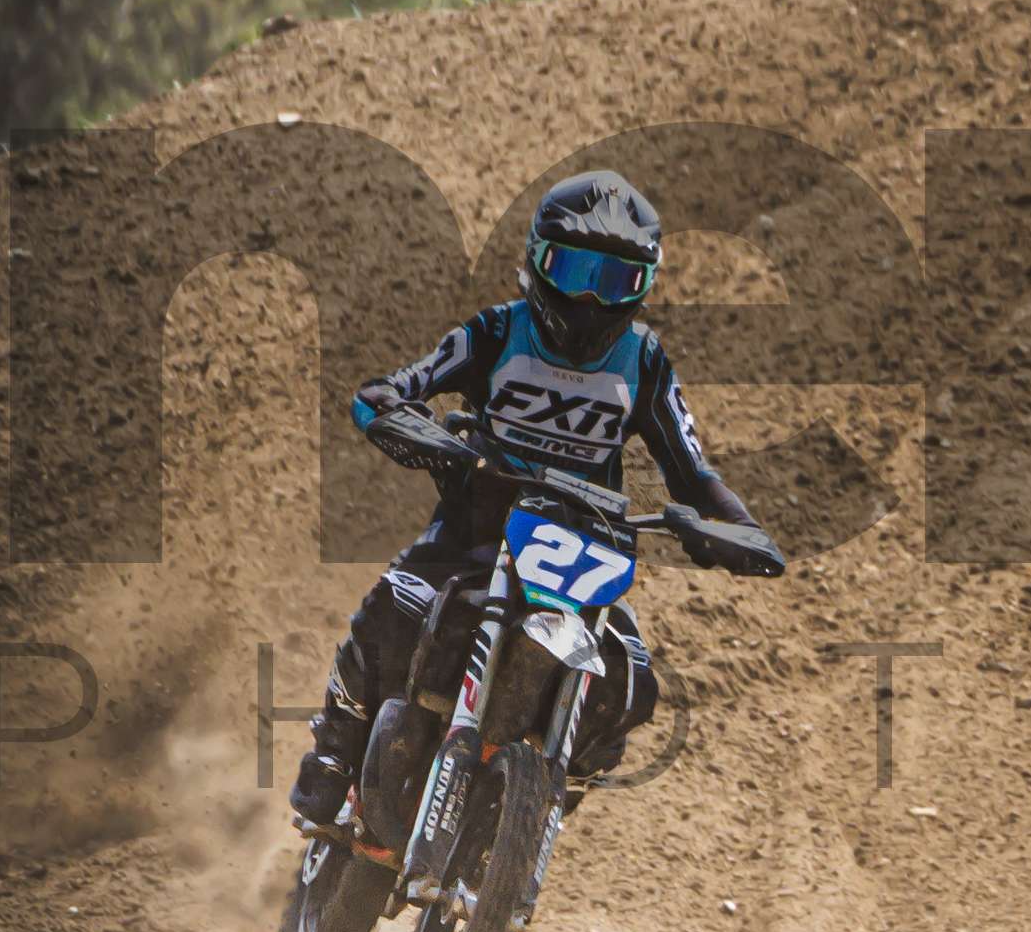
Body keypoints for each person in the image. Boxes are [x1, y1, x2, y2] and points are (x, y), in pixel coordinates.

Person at [290, 169, 766, 828]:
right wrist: (413, 429)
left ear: (643, 286)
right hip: (476, 529)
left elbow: (694, 473)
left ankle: (552, 793)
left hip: (582, 551)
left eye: (615, 281)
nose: (591, 300)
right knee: (397, 603)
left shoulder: (644, 363)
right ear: (538, 261)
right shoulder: (496, 332)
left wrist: (739, 527)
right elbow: (393, 390)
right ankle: (335, 749)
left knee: (630, 680)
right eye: (575, 272)